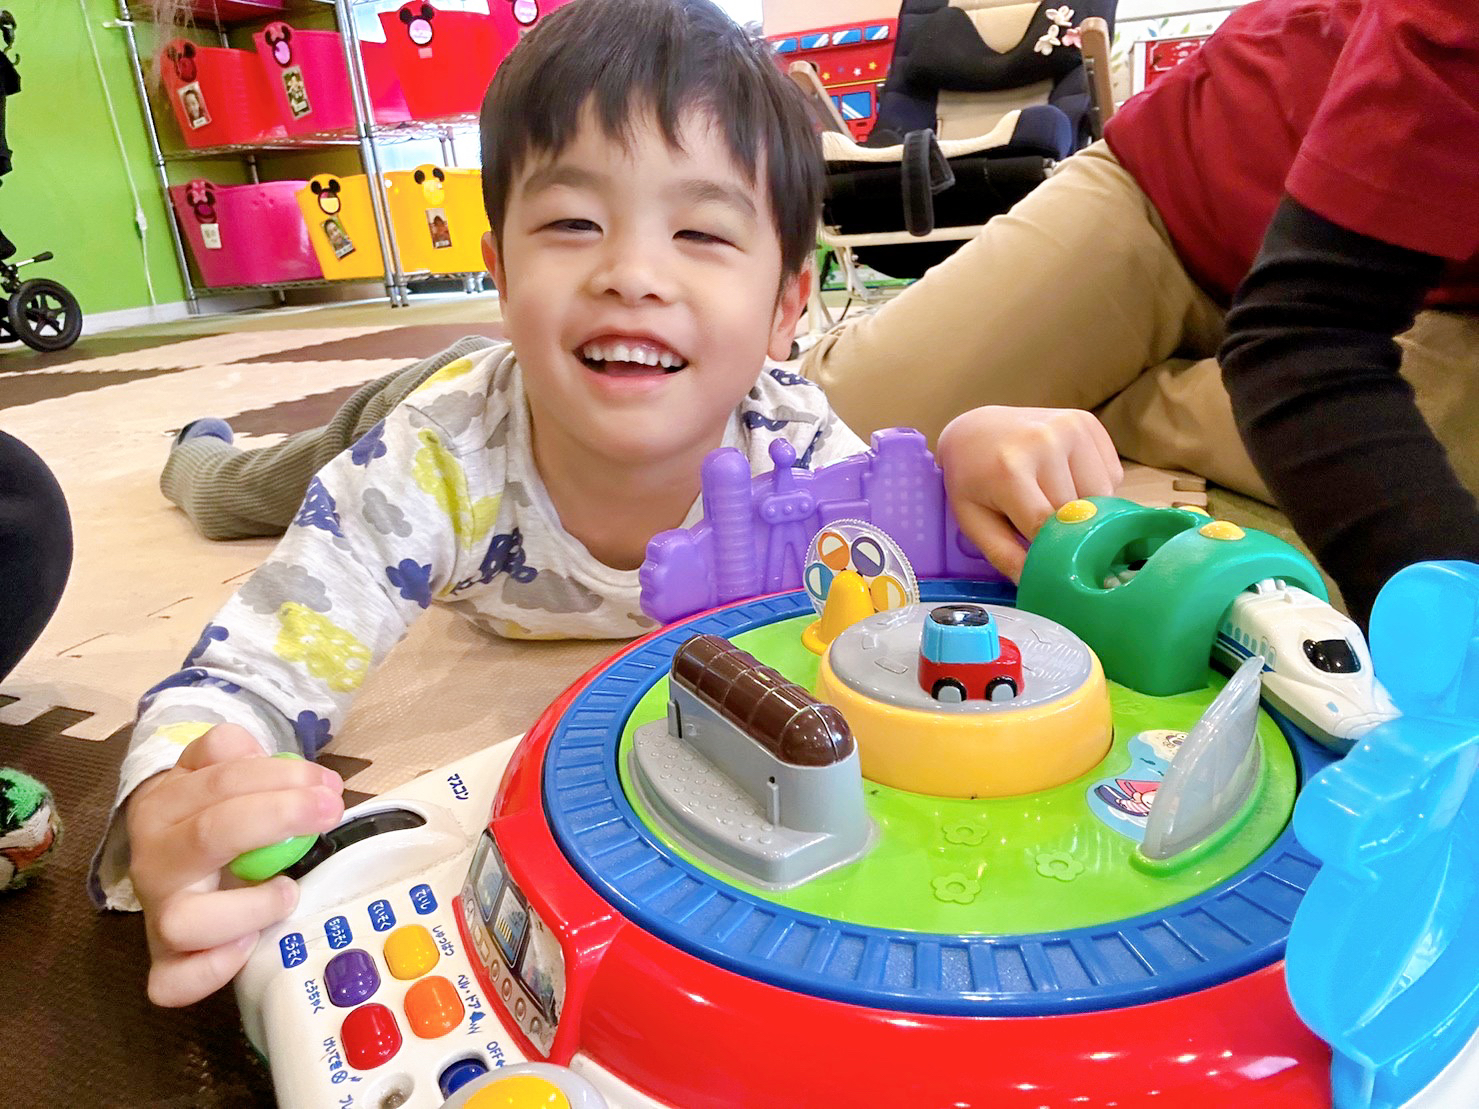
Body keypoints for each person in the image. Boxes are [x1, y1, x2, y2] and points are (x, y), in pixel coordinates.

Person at [96, 0, 1121, 1009]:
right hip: (424, 399)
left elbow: (905, 585)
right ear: (500, 272)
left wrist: (968, 459)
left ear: (786, 307)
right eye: (573, 223)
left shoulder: (792, 440)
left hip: (568, 373)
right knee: (237, 493)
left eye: (700, 232)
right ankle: (196, 450)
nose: (631, 273)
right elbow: (246, 674)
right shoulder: (430, 461)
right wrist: (178, 793)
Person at [799, 0, 1479, 626]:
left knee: (1419, 477)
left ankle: (1105, 405)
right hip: (1189, 187)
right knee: (833, 434)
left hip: (1425, 302)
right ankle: (1101, 393)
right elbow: (1309, 339)